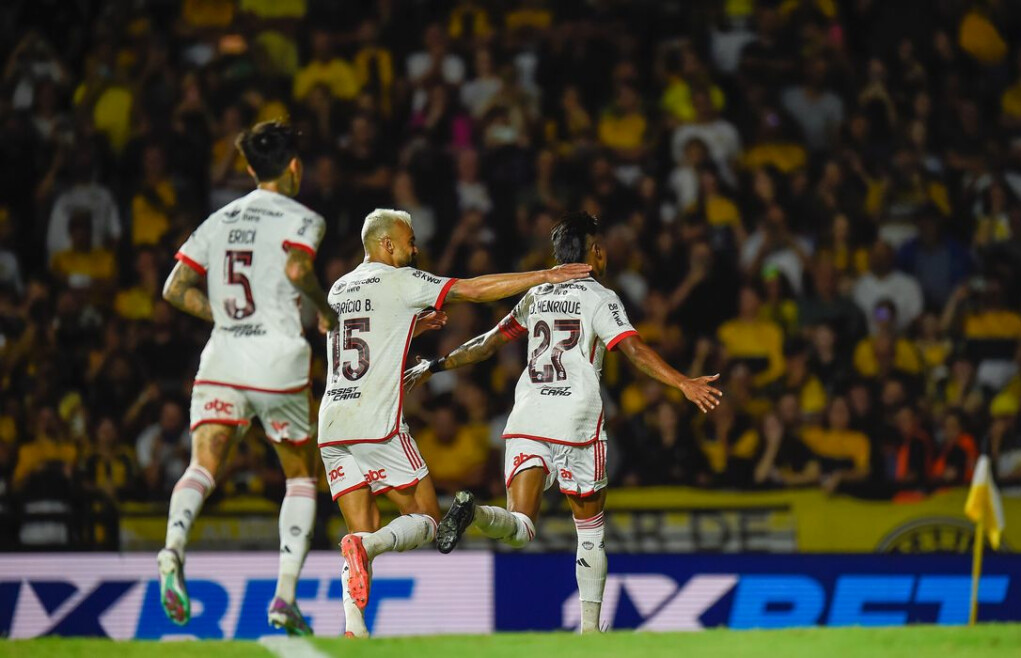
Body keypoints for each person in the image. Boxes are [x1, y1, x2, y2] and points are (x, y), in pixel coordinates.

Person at [404, 211, 722, 634]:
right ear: (593, 252)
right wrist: (681, 382)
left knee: (521, 526)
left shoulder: (536, 296)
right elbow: (632, 349)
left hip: (528, 417)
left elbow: (488, 343)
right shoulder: (599, 297)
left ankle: (475, 512)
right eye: (600, 245)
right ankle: (590, 632)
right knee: (589, 529)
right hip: (575, 420)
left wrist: (436, 365)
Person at [324, 208, 591, 638]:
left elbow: (364, 337)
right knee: (427, 518)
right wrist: (543, 276)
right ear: (386, 244)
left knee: (361, 524)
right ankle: (367, 547)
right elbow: (474, 289)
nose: (416, 249)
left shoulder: (340, 288)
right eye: (409, 241)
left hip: (332, 424)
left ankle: (354, 626)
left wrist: (411, 326)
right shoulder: (401, 281)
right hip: (376, 423)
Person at [156, 121, 337, 635]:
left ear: (251, 169)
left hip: (223, 357)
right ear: (294, 168)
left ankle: (172, 548)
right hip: (277, 359)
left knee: (204, 465)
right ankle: (283, 596)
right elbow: (300, 273)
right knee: (301, 475)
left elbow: (174, 287)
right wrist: (324, 311)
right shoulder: (304, 219)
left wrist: (227, 317)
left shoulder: (220, 219)